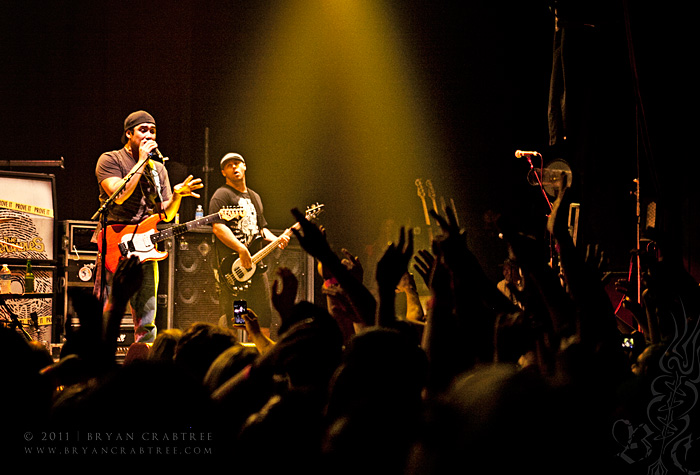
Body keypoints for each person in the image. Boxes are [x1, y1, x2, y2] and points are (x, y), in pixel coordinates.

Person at [93, 110, 203, 344]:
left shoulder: (158, 169)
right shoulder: (110, 159)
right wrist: (141, 162)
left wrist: (177, 195)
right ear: (128, 133)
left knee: (146, 317)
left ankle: (142, 366)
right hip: (115, 242)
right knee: (105, 313)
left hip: (145, 246)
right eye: (143, 130)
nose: (149, 135)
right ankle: (98, 365)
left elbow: (165, 213)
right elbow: (118, 195)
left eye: (153, 131)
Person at [209, 152, 290, 339]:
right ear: (223, 172)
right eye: (229, 165)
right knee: (238, 320)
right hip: (236, 271)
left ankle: (261, 361)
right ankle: (236, 360)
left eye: (237, 163)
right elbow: (218, 228)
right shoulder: (221, 195)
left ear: (245, 166)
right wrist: (240, 248)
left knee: (263, 319)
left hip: (256, 269)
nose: (234, 167)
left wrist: (277, 239)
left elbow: (261, 230)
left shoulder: (255, 197)